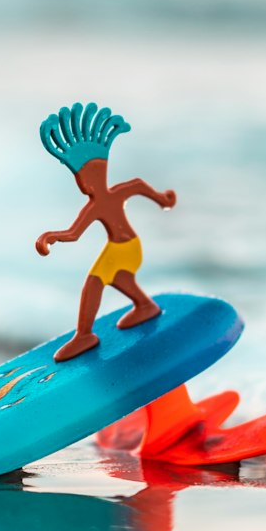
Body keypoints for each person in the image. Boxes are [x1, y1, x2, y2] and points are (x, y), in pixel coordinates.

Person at [36, 103, 176, 362]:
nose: (84, 184)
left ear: (97, 175)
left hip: (125, 249)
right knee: (120, 280)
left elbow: (137, 185)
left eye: (86, 177)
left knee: (94, 283)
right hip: (125, 247)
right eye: (81, 178)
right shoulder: (101, 202)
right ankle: (145, 306)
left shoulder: (102, 202)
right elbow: (75, 232)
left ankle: (84, 335)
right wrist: (53, 237)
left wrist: (161, 199)